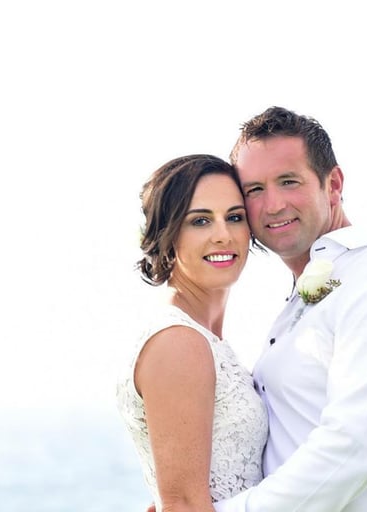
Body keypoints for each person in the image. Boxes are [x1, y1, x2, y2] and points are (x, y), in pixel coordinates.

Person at [210, 106, 367, 511]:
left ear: (333, 184)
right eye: (254, 190)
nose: (272, 205)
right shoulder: (316, 289)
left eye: (288, 182)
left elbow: (353, 448)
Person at [115, 154, 268, 511]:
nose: (223, 235)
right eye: (200, 221)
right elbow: (183, 504)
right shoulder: (178, 342)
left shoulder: (202, 339)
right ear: (167, 234)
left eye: (235, 217)